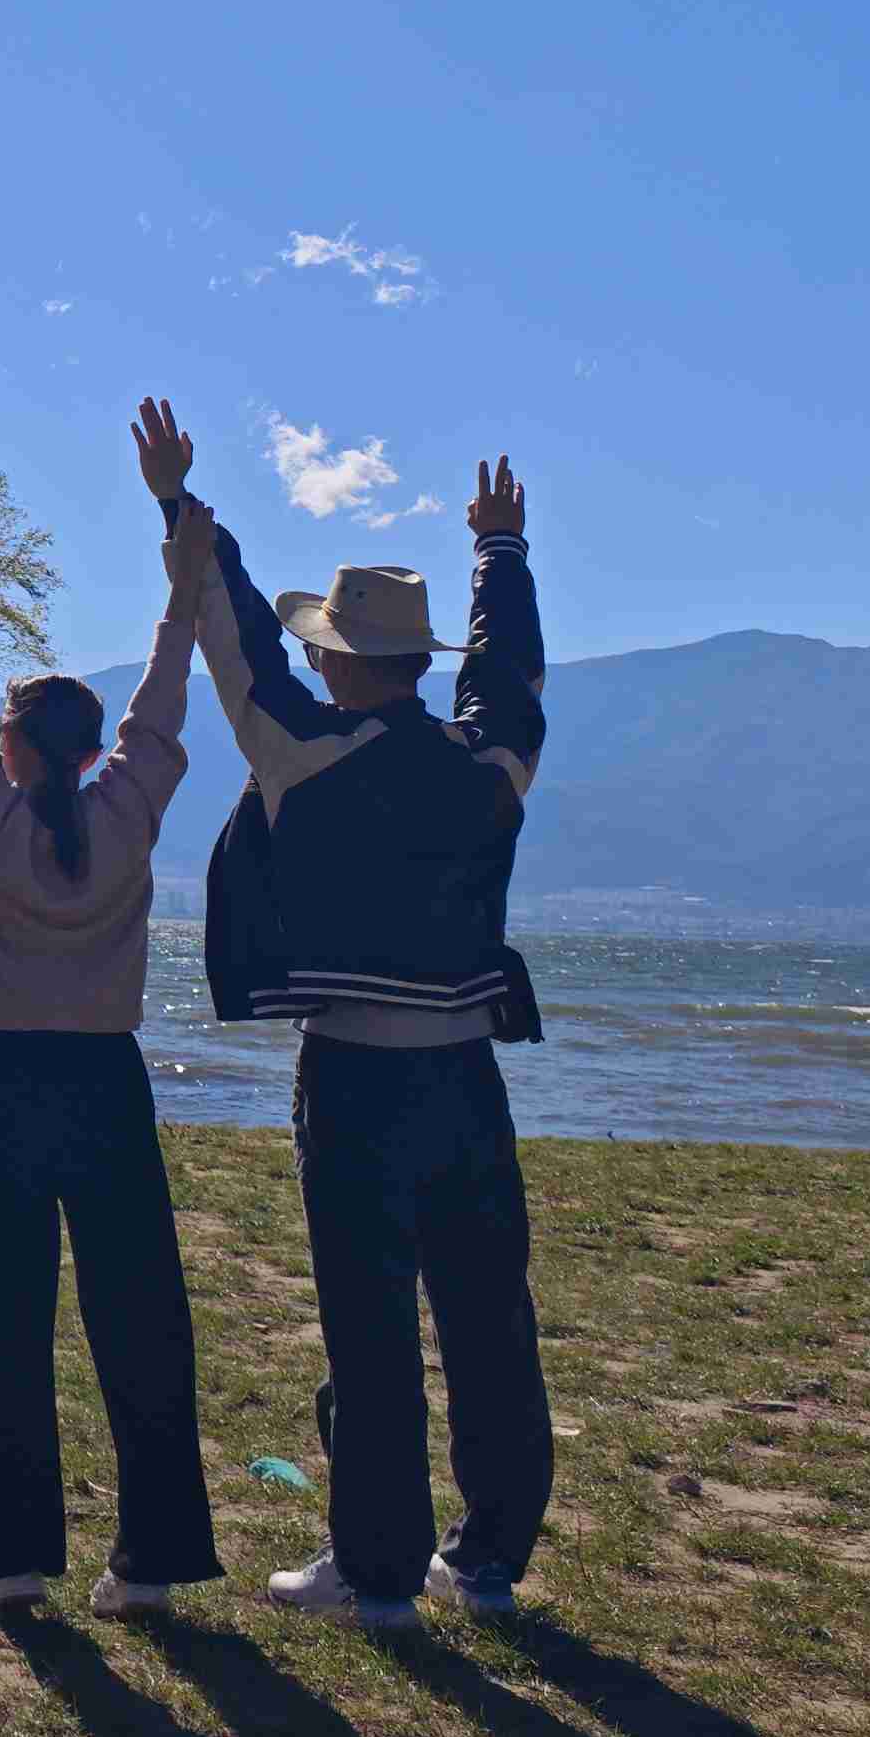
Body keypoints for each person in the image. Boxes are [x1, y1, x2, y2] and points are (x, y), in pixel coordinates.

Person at [179, 433, 550, 1626]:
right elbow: (509, 675)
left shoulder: (303, 747)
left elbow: (233, 634)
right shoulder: (489, 762)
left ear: (335, 660)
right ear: (415, 661)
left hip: (351, 1083)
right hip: (467, 1081)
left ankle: (377, 1572)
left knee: (370, 1325)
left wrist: (185, 506)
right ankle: (487, 1557)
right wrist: (498, 550)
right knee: (489, 1318)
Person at [0, 397, 221, 1618]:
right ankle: (155, 1562)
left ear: (20, 750)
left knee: (8, 1326)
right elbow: (164, 699)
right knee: (140, 1319)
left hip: (8, 1079)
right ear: (82, 750)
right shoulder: (126, 809)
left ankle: (20, 1559)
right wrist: (180, 576)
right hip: (106, 1082)